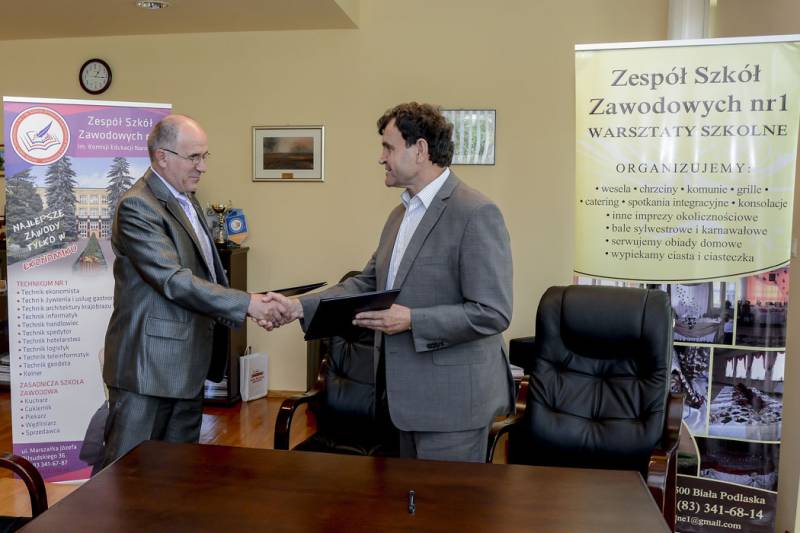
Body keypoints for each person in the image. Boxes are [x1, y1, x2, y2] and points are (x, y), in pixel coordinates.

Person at [267, 102, 514, 462]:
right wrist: (296, 307)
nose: (380, 157)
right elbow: (367, 283)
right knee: (410, 498)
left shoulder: (475, 213)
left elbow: (492, 312)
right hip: (403, 403)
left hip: (454, 407)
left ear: (420, 150)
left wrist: (412, 320)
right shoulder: (400, 214)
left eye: (388, 147)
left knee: (443, 500)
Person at [101, 114, 283, 467]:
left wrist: (250, 301)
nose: (203, 167)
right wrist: (247, 303)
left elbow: (206, 273)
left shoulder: (187, 199)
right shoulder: (138, 206)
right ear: (162, 157)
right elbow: (173, 279)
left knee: (178, 476)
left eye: (205, 156)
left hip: (188, 365)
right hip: (148, 370)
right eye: (194, 157)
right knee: (126, 478)